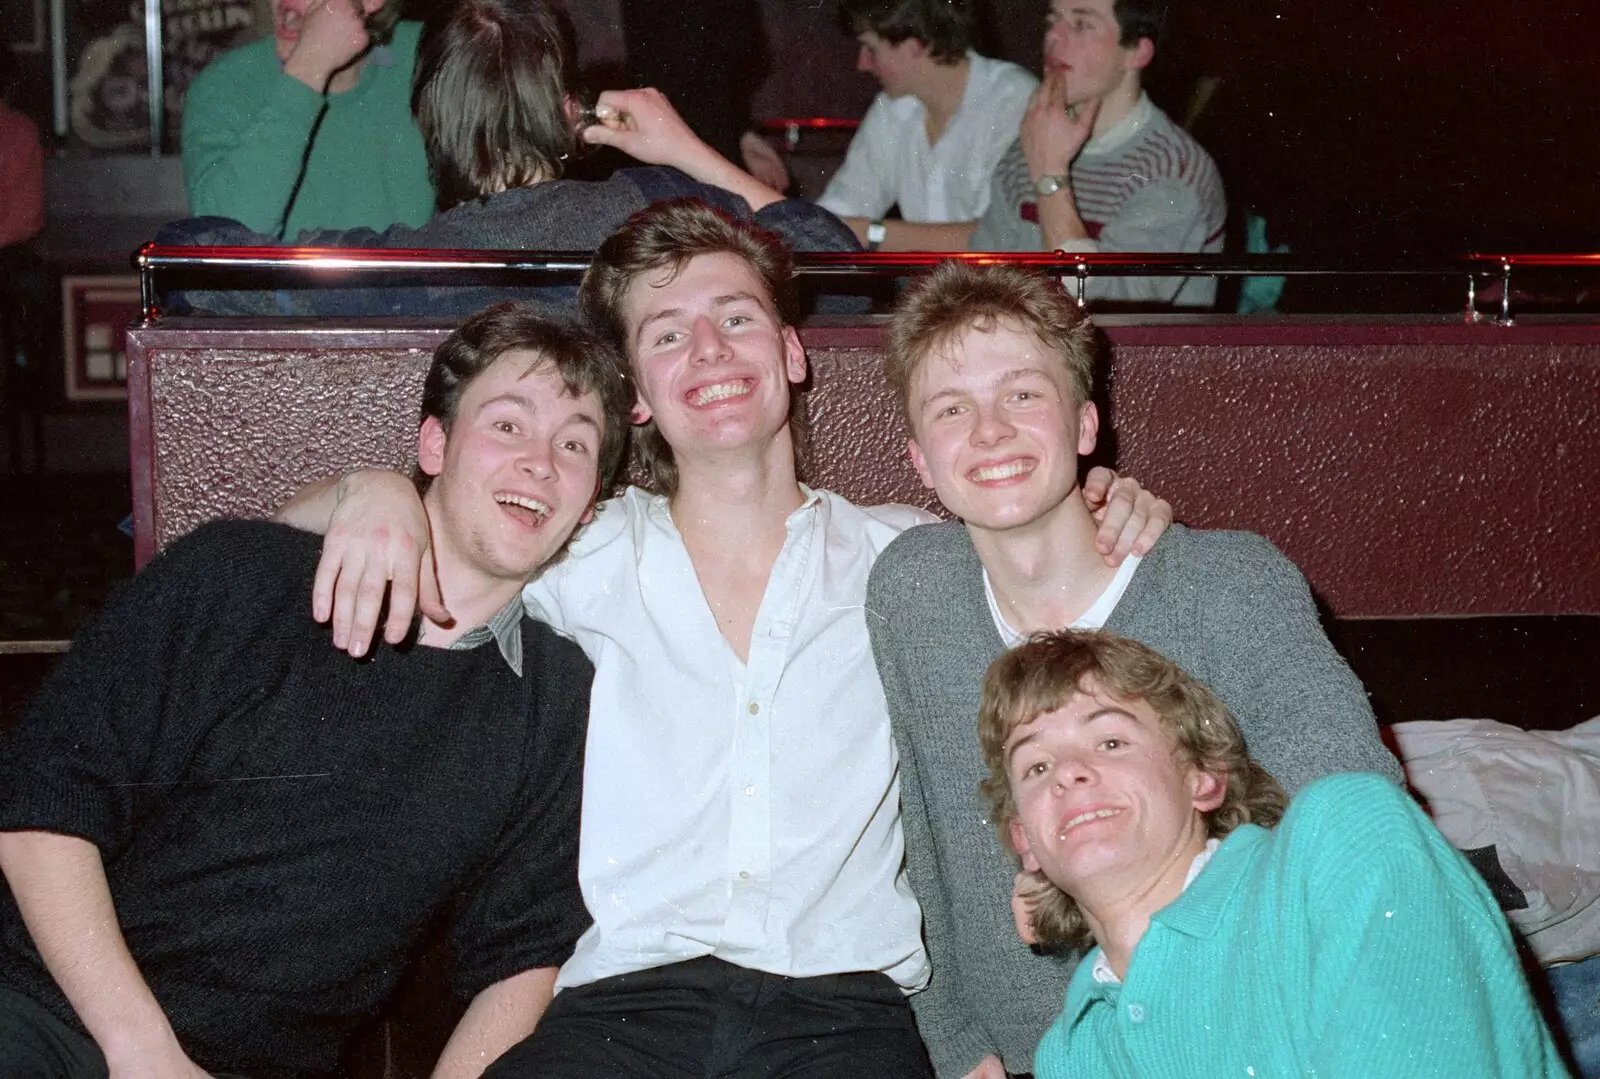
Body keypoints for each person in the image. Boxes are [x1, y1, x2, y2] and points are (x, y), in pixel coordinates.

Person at [275, 199, 1171, 1077]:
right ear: (634, 399)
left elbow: (1066, 577)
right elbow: (318, 535)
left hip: (843, 1016)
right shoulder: (581, 548)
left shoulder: (906, 560)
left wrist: (1109, 501)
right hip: (621, 1010)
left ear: (789, 352)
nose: (707, 351)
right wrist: (376, 491)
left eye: (736, 319)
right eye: (666, 334)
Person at [0, 303, 632, 1078]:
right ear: (434, 443)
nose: (541, 461)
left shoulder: (555, 700)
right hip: (49, 1011)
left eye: (575, 443)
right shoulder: (235, 576)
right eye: (508, 425)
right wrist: (143, 1052)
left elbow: (523, 959)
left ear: (590, 501)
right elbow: (40, 812)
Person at [864, 260, 1402, 1077]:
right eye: (951, 407)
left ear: (1086, 425)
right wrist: (952, 1041)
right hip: (1017, 1054)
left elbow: (1357, 814)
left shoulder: (1229, 585)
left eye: (1021, 394)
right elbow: (914, 845)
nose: (989, 430)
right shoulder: (912, 592)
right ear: (917, 458)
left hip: (1236, 1032)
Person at [978, 628, 1570, 1078]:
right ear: (1024, 840)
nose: (1070, 774)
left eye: (1110, 740)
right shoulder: (1073, 1050)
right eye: (1036, 765)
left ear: (1204, 779)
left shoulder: (1340, 840)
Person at [163, 0, 857, 318]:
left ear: (428, 122)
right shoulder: (658, 215)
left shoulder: (408, 269)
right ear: (570, 113)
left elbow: (195, 255)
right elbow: (836, 263)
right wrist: (686, 150)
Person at [969, 0, 1226, 306]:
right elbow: (980, 280)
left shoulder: (1173, 171)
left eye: (1082, 24)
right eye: (1053, 21)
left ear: (1137, 52)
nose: (1054, 37)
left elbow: (1098, 306)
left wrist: (1050, 175)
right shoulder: (1035, 144)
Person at [180, 0, 434, 237]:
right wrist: (307, 71)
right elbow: (224, 238)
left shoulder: (429, 55)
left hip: (410, 284)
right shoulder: (224, 84)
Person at [820, 0, 1036, 251]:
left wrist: (872, 233)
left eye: (871, 49)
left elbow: (997, 237)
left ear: (915, 46)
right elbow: (842, 206)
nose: (862, 64)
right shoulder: (893, 108)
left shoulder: (1011, 98)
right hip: (928, 286)